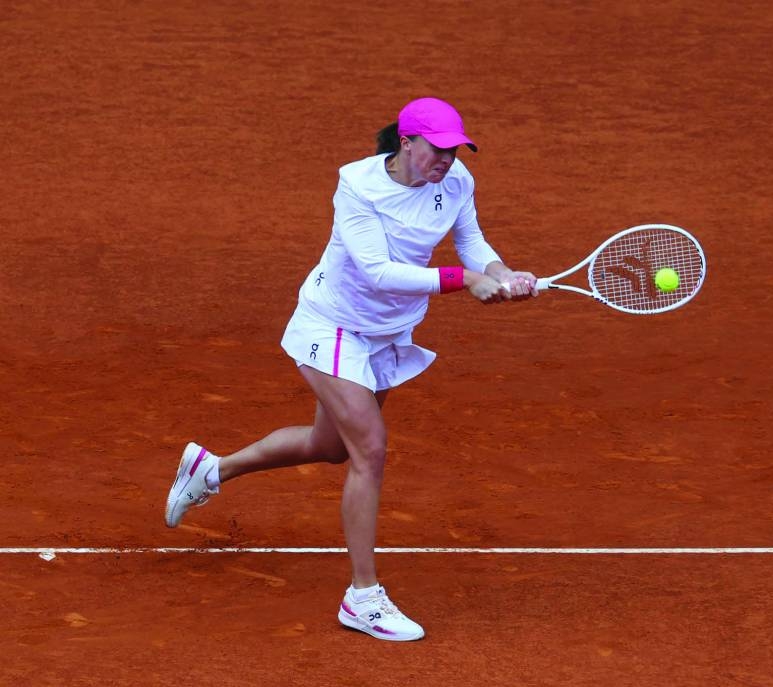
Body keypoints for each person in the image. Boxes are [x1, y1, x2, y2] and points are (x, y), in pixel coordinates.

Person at [164, 97, 537, 642]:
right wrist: (463, 282)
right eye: (437, 149)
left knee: (331, 446)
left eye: (455, 150)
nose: (447, 160)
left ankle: (211, 470)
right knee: (371, 449)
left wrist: (500, 271)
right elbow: (378, 271)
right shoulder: (358, 187)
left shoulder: (456, 181)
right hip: (332, 322)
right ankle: (362, 598)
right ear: (406, 143)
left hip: (386, 331)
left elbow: (471, 241)